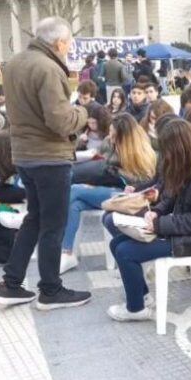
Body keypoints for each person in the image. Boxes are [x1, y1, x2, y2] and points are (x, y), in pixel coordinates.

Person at [0, 17, 91, 310]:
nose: (69, 49)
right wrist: (83, 115)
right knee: (53, 225)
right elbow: (60, 121)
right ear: (59, 43)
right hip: (49, 157)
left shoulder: (14, 63)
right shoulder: (48, 68)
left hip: (24, 154)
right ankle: (50, 289)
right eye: (69, 44)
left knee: (34, 219)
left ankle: (11, 284)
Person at [103, 119, 191, 321]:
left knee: (125, 252)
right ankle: (142, 297)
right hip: (183, 231)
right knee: (117, 244)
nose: (164, 156)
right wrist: (156, 213)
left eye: (167, 150)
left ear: (177, 148)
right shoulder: (187, 162)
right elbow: (171, 195)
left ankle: (136, 309)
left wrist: (161, 225)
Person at [61, 114, 157, 274]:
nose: (110, 138)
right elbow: (105, 168)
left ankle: (43, 225)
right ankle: (67, 253)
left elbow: (147, 179)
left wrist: (122, 178)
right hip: (109, 189)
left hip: (128, 196)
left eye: (113, 135)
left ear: (124, 135)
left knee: (75, 190)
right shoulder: (113, 145)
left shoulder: (140, 150)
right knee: (75, 203)